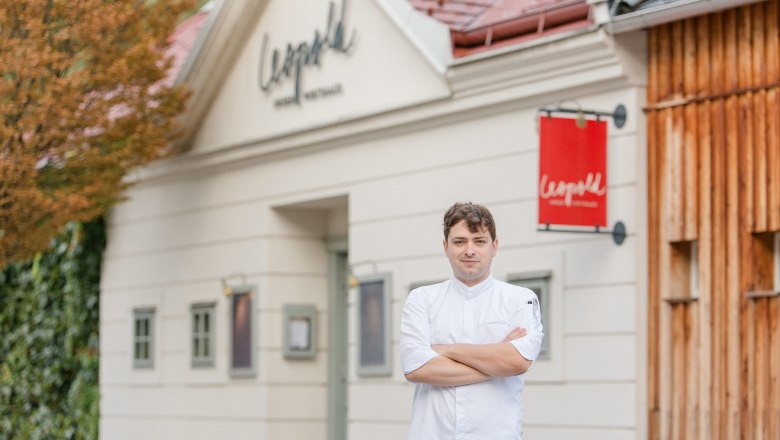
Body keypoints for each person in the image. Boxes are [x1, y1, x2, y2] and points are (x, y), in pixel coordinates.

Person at [400, 202, 544, 439]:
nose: (470, 250)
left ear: (494, 246)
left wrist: (446, 350)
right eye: (459, 242)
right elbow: (416, 368)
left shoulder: (520, 299)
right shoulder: (422, 299)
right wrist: (497, 362)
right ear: (445, 247)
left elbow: (518, 362)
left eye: (479, 241)